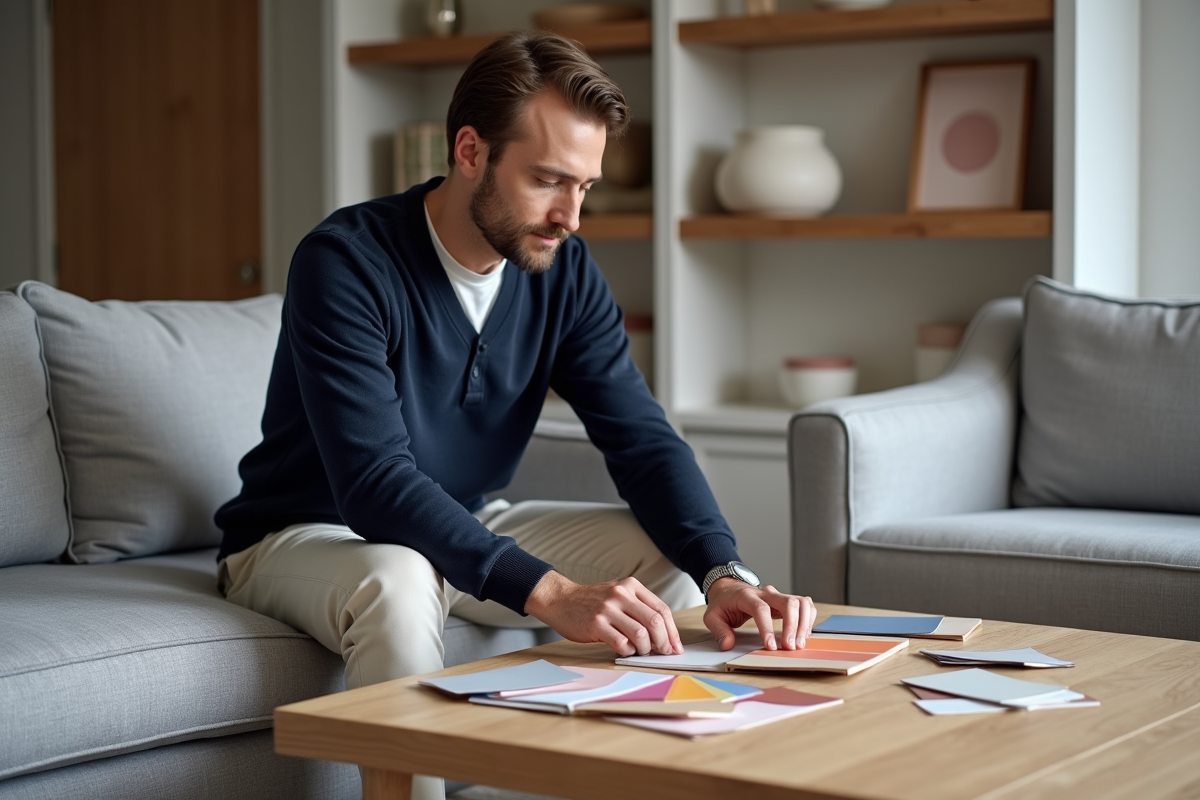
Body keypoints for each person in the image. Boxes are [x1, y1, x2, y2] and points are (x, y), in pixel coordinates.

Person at [215, 30, 815, 800]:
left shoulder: (563, 271)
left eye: (586, 187)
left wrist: (723, 569)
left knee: (664, 554)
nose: (570, 215)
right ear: (471, 151)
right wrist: (553, 593)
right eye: (548, 180)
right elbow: (372, 482)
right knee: (398, 575)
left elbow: (642, 439)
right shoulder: (345, 262)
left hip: (467, 518)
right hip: (306, 532)